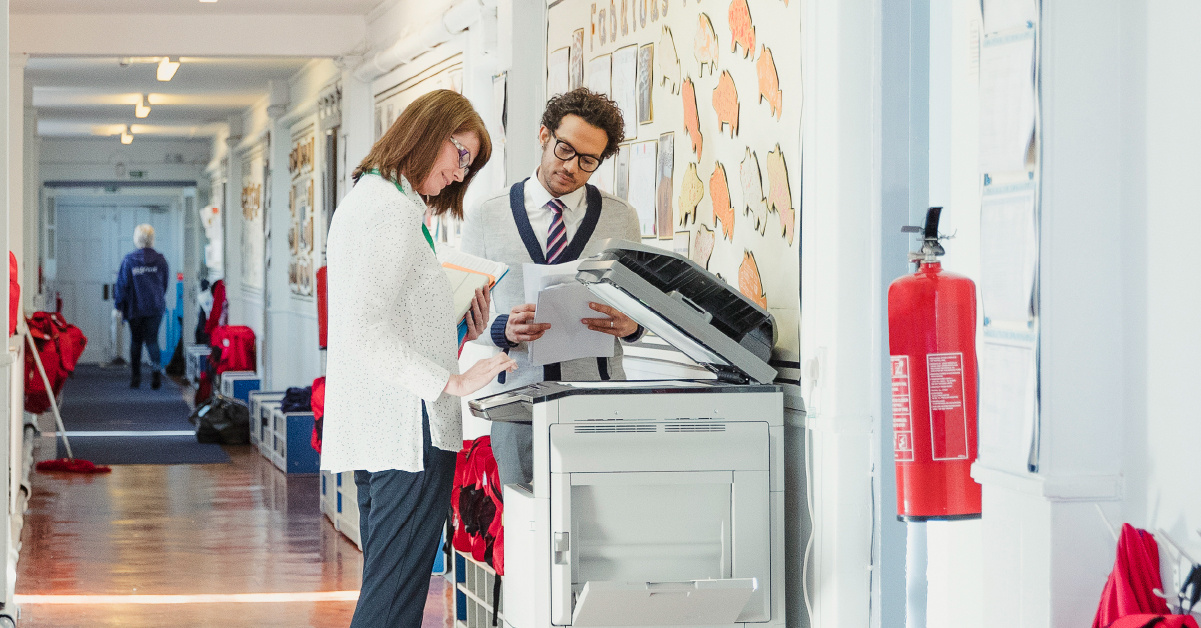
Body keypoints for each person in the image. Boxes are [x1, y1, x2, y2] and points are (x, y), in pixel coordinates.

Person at [319, 89, 517, 628]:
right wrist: (452, 383)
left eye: (469, 164)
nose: (460, 173)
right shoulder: (390, 212)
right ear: (428, 133)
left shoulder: (378, 201)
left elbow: (391, 321)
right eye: (461, 154)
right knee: (392, 602)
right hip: (408, 432)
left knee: (390, 592)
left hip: (389, 426)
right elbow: (364, 328)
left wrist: (460, 327)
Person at [460, 87, 644, 487]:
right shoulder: (487, 216)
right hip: (516, 403)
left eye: (588, 160)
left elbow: (641, 309)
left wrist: (631, 326)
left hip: (599, 403)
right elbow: (462, 317)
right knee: (523, 517)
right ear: (544, 135)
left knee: (597, 516)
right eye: (565, 149)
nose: (572, 167)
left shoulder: (621, 218)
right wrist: (503, 328)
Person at [114, 224, 169, 389]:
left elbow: (122, 285)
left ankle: (135, 378)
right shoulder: (160, 260)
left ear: (136, 239)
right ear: (152, 239)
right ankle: (156, 375)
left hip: (135, 307)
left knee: (136, 341)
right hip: (155, 307)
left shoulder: (129, 260)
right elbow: (164, 284)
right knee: (152, 341)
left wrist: (118, 305)